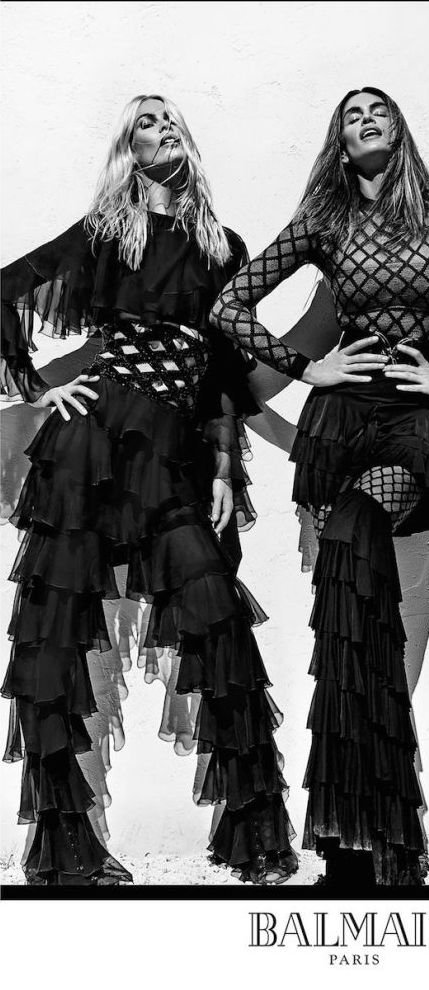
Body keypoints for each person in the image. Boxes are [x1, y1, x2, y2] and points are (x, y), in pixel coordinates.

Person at [210, 86, 429, 886]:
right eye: (351, 115)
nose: (364, 120)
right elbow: (229, 305)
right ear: (340, 137)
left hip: (414, 427)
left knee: (354, 538)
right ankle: (354, 841)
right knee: (348, 600)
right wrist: (305, 367)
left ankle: (377, 826)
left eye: (377, 111)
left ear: (399, 128)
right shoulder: (325, 217)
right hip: (340, 424)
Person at [0, 94, 298, 885]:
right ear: (127, 151)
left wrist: (226, 464)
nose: (159, 129)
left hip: (174, 452)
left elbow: (224, 368)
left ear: (185, 140)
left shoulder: (223, 246)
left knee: (218, 623)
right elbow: (3, 289)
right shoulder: (106, 232)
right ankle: (64, 853)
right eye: (143, 124)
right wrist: (36, 389)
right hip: (91, 446)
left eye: (167, 120)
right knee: (51, 639)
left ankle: (257, 840)